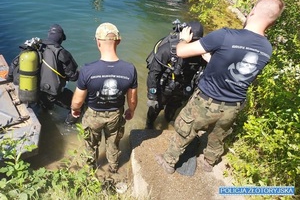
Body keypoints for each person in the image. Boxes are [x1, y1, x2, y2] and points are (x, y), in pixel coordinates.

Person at [155, 0, 285, 174]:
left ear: (253, 11)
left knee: (185, 129)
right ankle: (209, 161)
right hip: (234, 105)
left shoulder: (225, 35)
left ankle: (169, 162)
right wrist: (213, 60)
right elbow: (243, 73)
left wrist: (184, 38)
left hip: (207, 101)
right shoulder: (267, 48)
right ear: (272, 23)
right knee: (218, 135)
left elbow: (182, 52)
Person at [70, 22, 138, 173]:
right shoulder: (129, 69)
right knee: (113, 143)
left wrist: (75, 110)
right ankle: (113, 169)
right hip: (115, 114)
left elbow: (78, 101)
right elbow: (132, 99)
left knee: (90, 144)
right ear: (118, 41)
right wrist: (131, 111)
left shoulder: (88, 69)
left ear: (97, 42)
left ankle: (90, 171)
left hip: (93, 114)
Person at [6, 24, 79, 124]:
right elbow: (73, 77)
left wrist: (8, 78)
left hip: (33, 88)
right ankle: (69, 124)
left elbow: (14, 63)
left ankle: (45, 113)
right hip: (51, 92)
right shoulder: (62, 53)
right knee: (77, 105)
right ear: (61, 38)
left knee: (46, 106)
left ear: (49, 35)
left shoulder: (33, 47)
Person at [146, 21, 207, 129]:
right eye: (191, 41)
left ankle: (168, 122)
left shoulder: (201, 53)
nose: (193, 44)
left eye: (196, 42)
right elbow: (154, 73)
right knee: (154, 110)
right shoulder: (167, 50)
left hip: (182, 90)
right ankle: (149, 125)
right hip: (163, 87)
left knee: (171, 112)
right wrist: (152, 95)